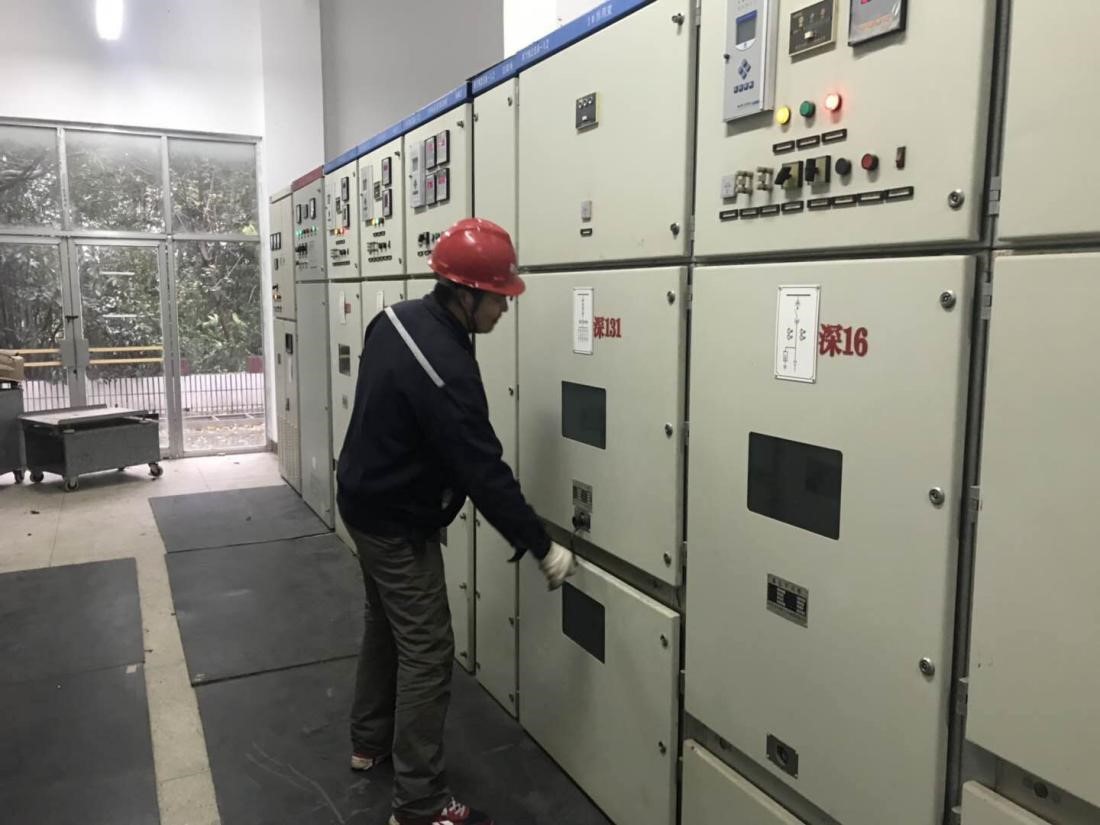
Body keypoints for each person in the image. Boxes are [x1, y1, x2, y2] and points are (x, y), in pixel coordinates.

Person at [336, 217, 576, 825]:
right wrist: (540, 544)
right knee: (428, 649)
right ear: (465, 295)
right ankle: (419, 804)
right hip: (394, 521)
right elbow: (483, 468)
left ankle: (369, 741)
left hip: (362, 499)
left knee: (385, 624)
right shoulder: (447, 366)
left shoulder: (393, 319)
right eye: (498, 297)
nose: (505, 308)